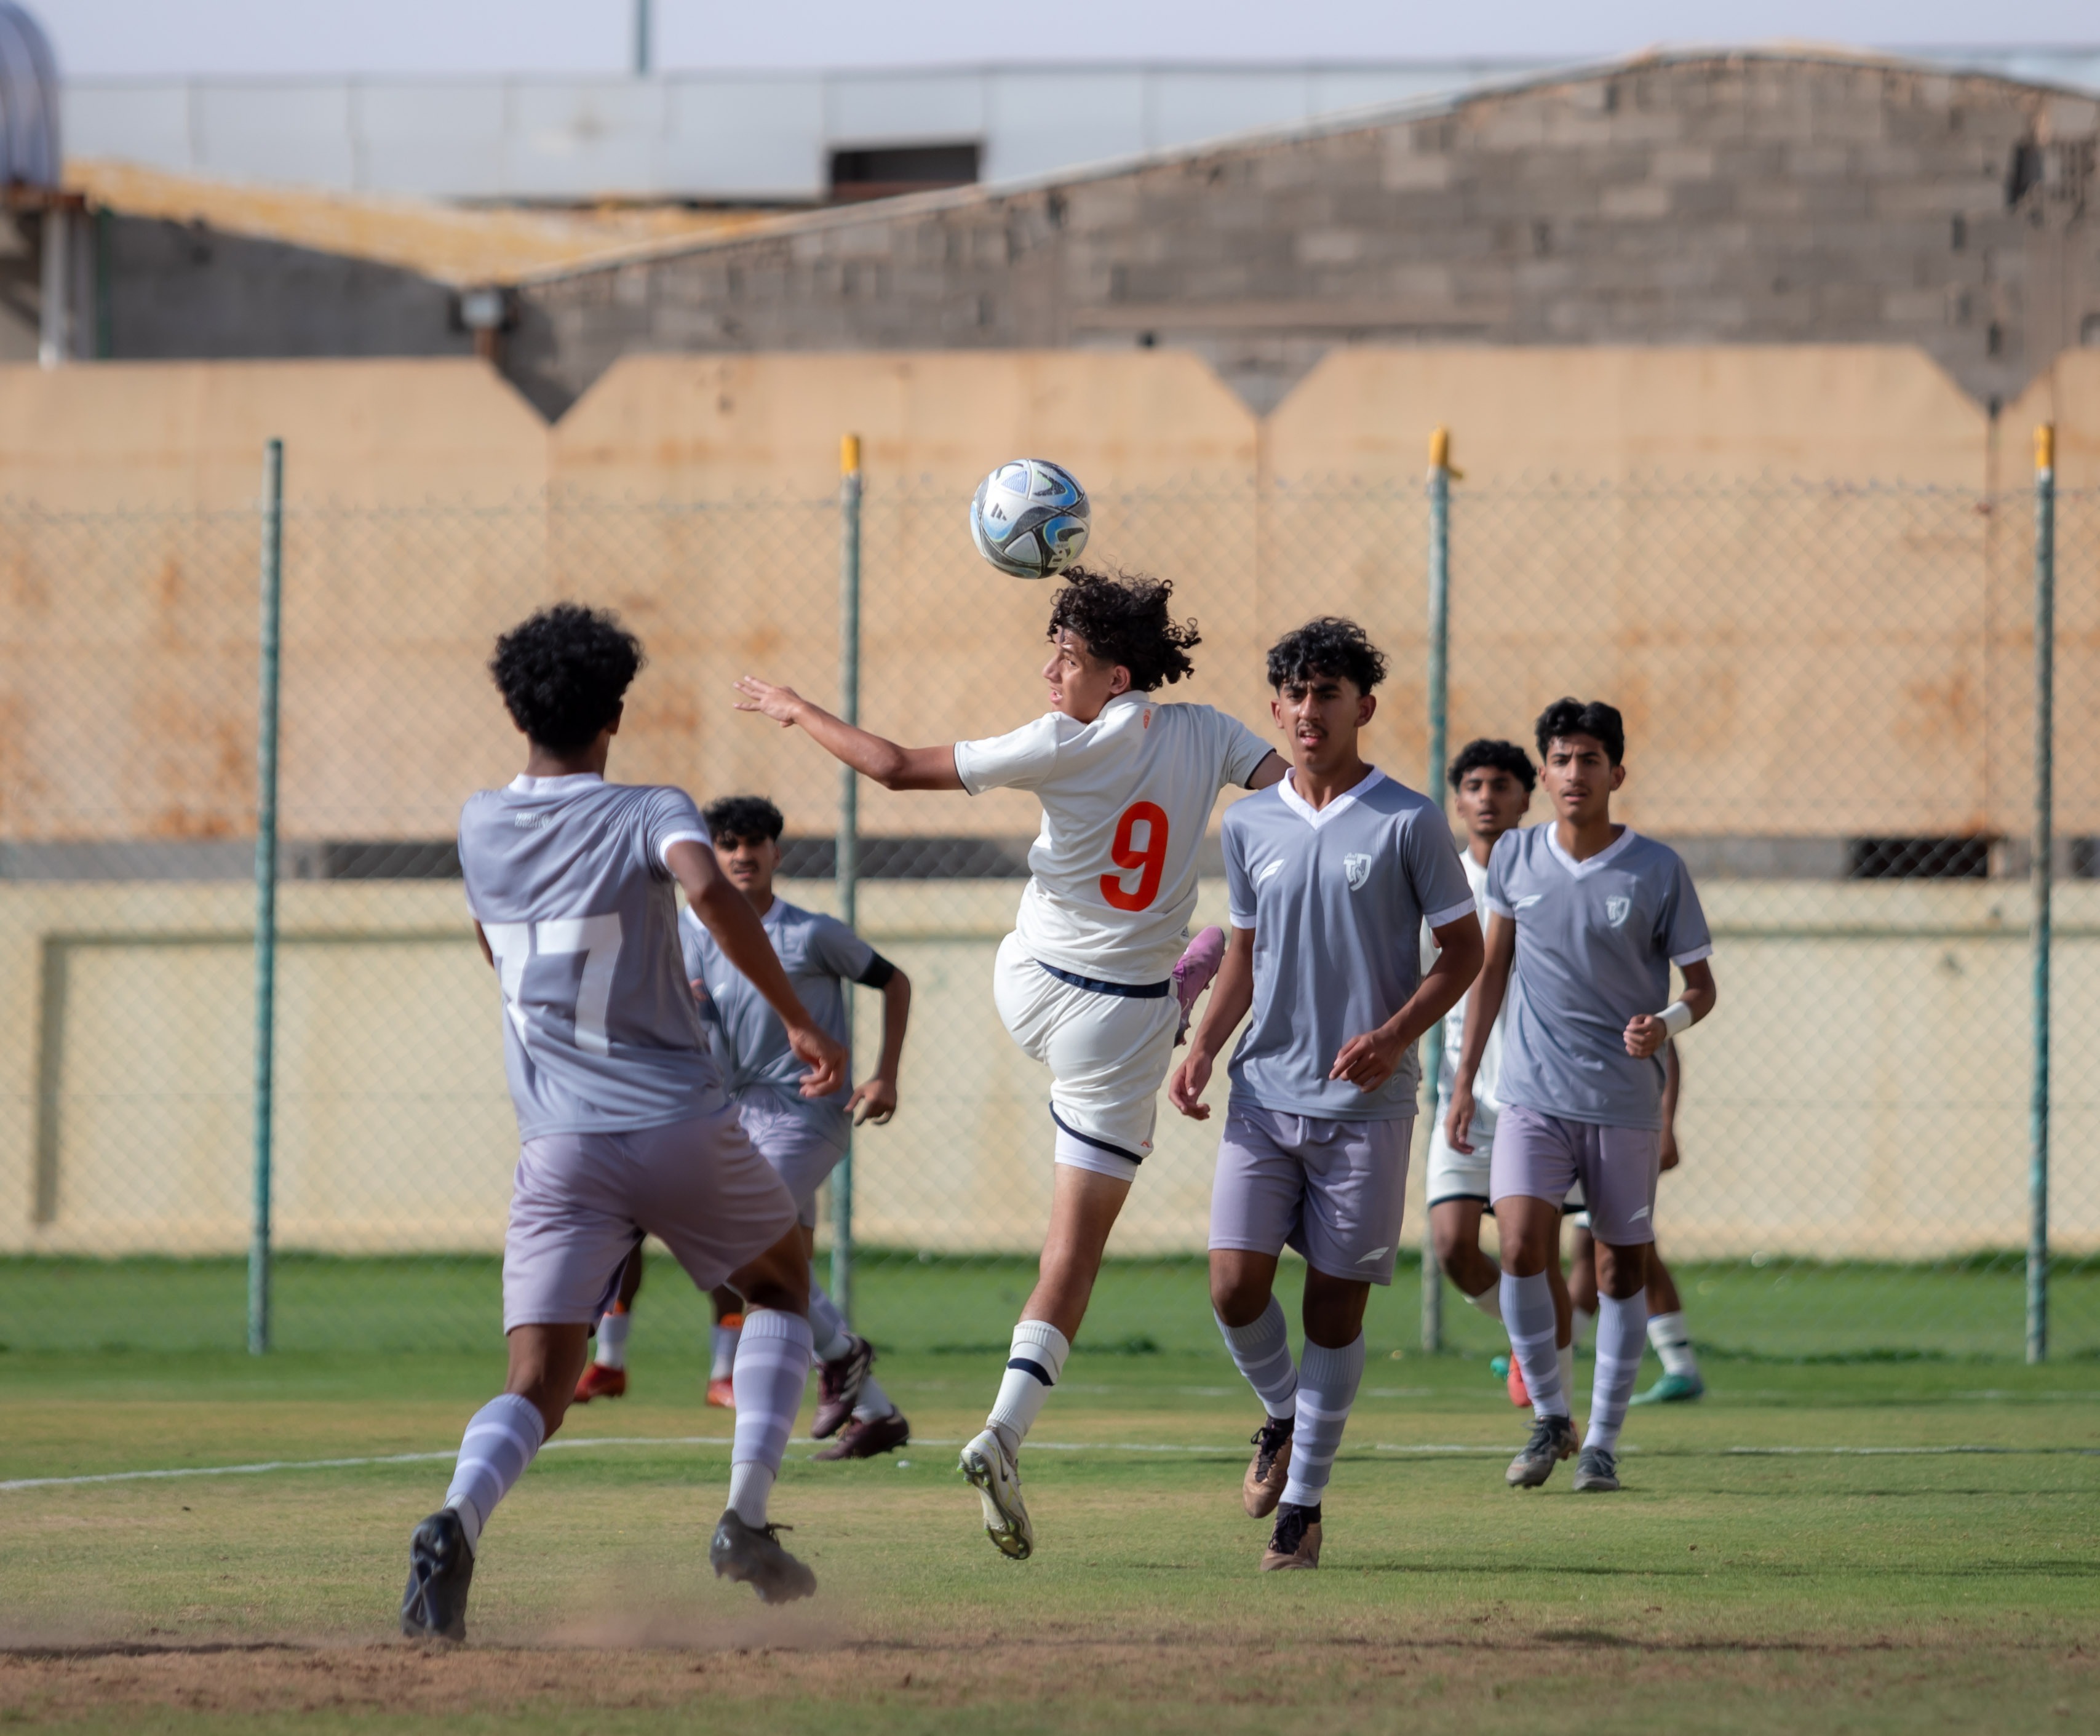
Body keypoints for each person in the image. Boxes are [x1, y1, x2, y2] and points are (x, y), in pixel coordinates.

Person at [734, 567, 1286, 1559]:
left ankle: (1185, 974)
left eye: (1065, 658)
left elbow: (896, 766)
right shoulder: (1207, 729)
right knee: (1070, 1254)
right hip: (1115, 1022)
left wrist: (797, 707)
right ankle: (1004, 1428)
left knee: (1159, 973)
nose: (1048, 670)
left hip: (1027, 979)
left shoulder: (1057, 745)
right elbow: (1296, 795)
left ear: (1114, 675)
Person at [400, 604, 849, 1641]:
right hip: (680, 1125)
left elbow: (495, 949)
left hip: (557, 1146)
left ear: (517, 711)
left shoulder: (476, 821)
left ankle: (456, 1518)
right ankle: (742, 1516)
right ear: (613, 717)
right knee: (778, 1284)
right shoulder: (649, 806)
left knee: (537, 1383)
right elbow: (709, 894)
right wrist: (794, 1016)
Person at [1169, 618, 1481, 1570]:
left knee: (1334, 1316)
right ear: (1276, 709)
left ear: (1363, 707)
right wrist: (1205, 1045)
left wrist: (1392, 1037)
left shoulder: (1407, 818)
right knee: (1232, 1286)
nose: (1310, 711)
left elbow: (1464, 952)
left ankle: (1302, 1507)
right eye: (1295, 696)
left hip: (1364, 1108)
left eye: (1328, 693)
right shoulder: (1250, 822)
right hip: (1264, 1091)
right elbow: (1245, 954)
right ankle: (1279, 1414)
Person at [1445, 697, 1717, 1494]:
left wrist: (1663, 1025)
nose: (1572, 773)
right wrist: (1465, 1081)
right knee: (1523, 1245)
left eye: (1587, 759)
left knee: (1615, 1269)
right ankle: (1548, 1416)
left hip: (1622, 1102)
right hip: (1529, 1095)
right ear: (1548, 771)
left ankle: (1601, 1439)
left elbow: (1700, 987)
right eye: (1560, 759)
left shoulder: (1656, 868)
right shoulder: (1516, 858)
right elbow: (1490, 971)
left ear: (1614, 772)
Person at [1420, 739, 1576, 1412]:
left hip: (1539, 1097)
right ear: (1457, 800)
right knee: (1454, 1245)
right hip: (1463, 1094)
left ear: (1526, 796)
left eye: (1502, 785)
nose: (1487, 797)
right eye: (1474, 785)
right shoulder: (1436, 881)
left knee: (1531, 1254)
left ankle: (1555, 1408)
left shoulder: (1549, 876)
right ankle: (1524, 1330)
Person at [1568, 1041, 1706, 1404]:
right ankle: (1680, 1366)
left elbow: (1665, 1045)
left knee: (1620, 1241)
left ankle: (1548, 1353)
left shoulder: (1627, 986)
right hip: (1587, 1127)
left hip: (1626, 1129)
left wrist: (1665, 1123)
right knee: (1601, 1243)